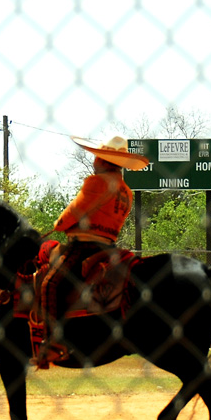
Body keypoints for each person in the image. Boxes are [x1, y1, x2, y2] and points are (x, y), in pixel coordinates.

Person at [36, 134, 150, 368]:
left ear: (104, 160)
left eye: (97, 156)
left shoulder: (96, 182)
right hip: (108, 247)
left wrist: (57, 225)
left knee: (49, 284)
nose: (94, 160)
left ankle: (53, 342)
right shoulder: (125, 190)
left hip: (84, 246)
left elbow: (74, 212)